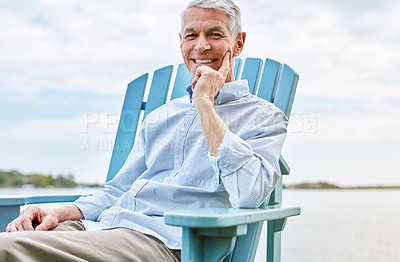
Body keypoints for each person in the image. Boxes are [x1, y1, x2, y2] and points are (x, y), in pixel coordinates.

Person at [0, 0, 288, 261]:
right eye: (191, 35)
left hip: (162, 240)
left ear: (238, 44)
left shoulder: (264, 118)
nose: (201, 46)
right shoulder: (161, 116)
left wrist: (204, 104)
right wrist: (58, 212)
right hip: (101, 226)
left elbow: (249, 194)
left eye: (215, 34)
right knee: (9, 240)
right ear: (180, 43)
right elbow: (118, 190)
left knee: (7, 250)